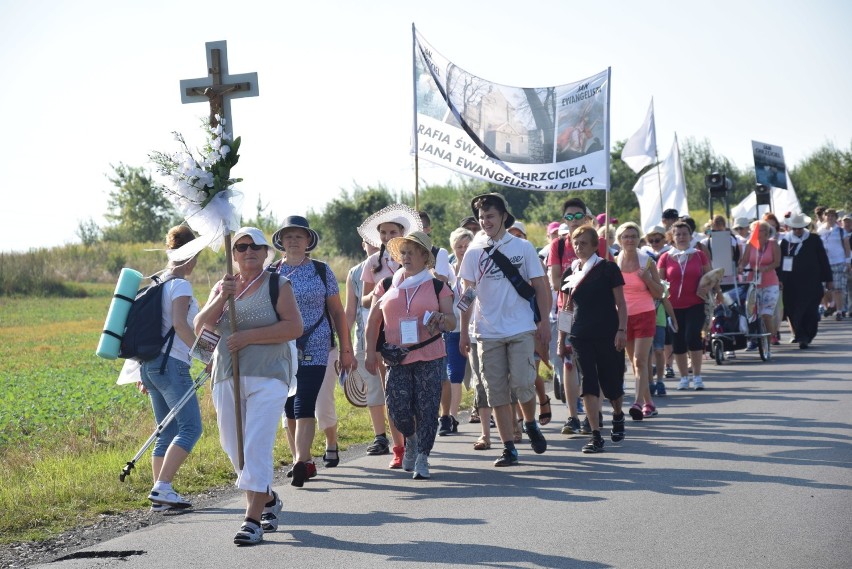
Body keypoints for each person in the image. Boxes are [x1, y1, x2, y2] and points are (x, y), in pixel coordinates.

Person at [194, 227, 303, 546]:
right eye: (241, 247)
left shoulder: (278, 284)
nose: (248, 251)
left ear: (267, 251)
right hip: (227, 374)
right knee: (233, 446)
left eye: (256, 246)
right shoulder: (223, 285)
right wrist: (221, 297)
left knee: (255, 444)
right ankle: (267, 497)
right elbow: (202, 327)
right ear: (233, 254)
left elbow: (293, 327)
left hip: (269, 374)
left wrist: (249, 336)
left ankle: (252, 520)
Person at [458, 192, 551, 468]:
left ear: (503, 217)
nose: (485, 221)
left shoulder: (522, 247)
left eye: (490, 216)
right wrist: (465, 332)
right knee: (495, 390)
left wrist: (543, 321)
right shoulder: (474, 252)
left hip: (521, 326)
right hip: (487, 331)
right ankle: (509, 446)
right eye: (481, 217)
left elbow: (540, 286)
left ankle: (531, 423)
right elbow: (467, 295)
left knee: (523, 382)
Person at [270, 216, 355, 487]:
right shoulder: (271, 272)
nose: (294, 240)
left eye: (299, 236)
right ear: (281, 241)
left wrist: (345, 349)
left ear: (308, 241)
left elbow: (337, 311)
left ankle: (300, 461)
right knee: (288, 405)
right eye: (289, 236)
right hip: (282, 347)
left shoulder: (321, 270)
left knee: (304, 400)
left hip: (317, 345)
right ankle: (301, 459)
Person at [364, 231, 456, 479]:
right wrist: (370, 352)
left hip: (429, 355)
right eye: (402, 253)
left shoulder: (438, 286)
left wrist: (441, 319)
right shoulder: (385, 284)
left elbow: (452, 321)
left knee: (427, 409)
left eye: (411, 252)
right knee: (397, 409)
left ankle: (423, 456)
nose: (405, 257)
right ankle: (411, 440)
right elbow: (373, 321)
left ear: (425, 256)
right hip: (396, 357)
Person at [141, 225, 202, 513]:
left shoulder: (156, 282)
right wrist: (206, 356)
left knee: (167, 430)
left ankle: (159, 496)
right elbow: (180, 324)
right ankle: (163, 486)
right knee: (191, 428)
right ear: (191, 254)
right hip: (172, 366)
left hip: (150, 367)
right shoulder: (180, 285)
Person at [358, 204, 423, 467]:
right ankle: (399, 447)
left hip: (414, 333)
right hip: (384, 332)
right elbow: (363, 300)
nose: (386, 236)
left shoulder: (414, 258)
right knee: (392, 394)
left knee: (415, 392)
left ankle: (416, 442)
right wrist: (384, 296)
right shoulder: (373, 264)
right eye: (382, 232)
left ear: (403, 232)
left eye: (392, 231)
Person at [557, 225, 628, 453]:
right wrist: (561, 339)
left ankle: (617, 413)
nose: (579, 248)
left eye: (584, 243)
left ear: (595, 245)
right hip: (580, 335)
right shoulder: (570, 272)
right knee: (588, 381)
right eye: (575, 243)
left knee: (611, 383)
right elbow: (566, 309)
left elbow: (621, 303)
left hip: (608, 332)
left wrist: (622, 330)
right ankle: (596, 434)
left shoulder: (607, 268)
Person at [547, 198, 606, 436]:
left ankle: (596, 412)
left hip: (596, 311)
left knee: (593, 364)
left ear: (586, 216)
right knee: (568, 364)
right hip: (567, 310)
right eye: (568, 216)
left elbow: (607, 277)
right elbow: (555, 281)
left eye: (577, 215)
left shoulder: (599, 242)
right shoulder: (558, 246)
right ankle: (572, 416)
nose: (573, 220)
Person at [615, 222, 665, 420]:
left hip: (645, 313)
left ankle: (637, 402)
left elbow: (660, 292)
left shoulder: (647, 261)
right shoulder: (615, 262)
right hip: (624, 316)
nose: (629, 240)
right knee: (636, 364)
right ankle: (649, 403)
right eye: (625, 236)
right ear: (619, 240)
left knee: (640, 359)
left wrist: (647, 279)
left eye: (633, 236)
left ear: (638, 239)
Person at [343, 240, 388, 451]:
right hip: (364, 339)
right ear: (363, 245)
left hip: (392, 337)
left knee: (395, 388)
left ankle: (404, 435)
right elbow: (350, 311)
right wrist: (345, 341)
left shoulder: (396, 265)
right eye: (371, 243)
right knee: (373, 388)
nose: (376, 247)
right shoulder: (354, 273)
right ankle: (380, 436)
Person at [657, 220, 712, 390]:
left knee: (692, 336)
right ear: (672, 237)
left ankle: (697, 376)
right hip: (672, 307)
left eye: (684, 234)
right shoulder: (665, 257)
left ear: (690, 236)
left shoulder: (698, 254)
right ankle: (683, 378)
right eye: (677, 234)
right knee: (678, 342)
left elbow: (710, 276)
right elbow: (659, 282)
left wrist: (710, 290)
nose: (681, 237)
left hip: (695, 304)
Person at [779, 213, 833, 349]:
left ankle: (808, 335)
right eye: (795, 228)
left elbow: (823, 260)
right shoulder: (785, 242)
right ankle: (801, 335)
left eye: (800, 228)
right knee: (793, 310)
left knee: (810, 310)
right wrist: (779, 279)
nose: (798, 231)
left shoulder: (814, 239)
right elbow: (780, 263)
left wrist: (828, 279)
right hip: (791, 282)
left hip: (811, 282)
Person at [442, 228, 474, 438]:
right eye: (459, 246)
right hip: (453, 330)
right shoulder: (448, 271)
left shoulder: (478, 267)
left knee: (481, 375)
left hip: (476, 329)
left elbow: (471, 298)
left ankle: (482, 409)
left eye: (466, 246)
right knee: (454, 374)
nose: (463, 250)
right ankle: (450, 417)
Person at [737, 220, 781, 350]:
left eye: (760, 230)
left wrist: (765, 268)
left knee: (766, 313)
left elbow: (777, 262)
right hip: (754, 282)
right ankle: (754, 338)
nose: (756, 232)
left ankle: (769, 338)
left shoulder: (773, 244)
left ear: (766, 232)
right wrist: (741, 267)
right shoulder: (751, 244)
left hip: (770, 282)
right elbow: (744, 261)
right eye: (755, 230)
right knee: (752, 312)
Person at [817, 208, 851, 320]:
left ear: (836, 218)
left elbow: (847, 247)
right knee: (823, 288)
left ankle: (839, 311)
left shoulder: (841, 231)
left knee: (838, 289)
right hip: (824, 263)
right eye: (828, 215)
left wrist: (848, 261)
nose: (830, 218)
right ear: (825, 217)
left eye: (832, 216)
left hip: (838, 261)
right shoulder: (820, 230)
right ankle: (830, 305)